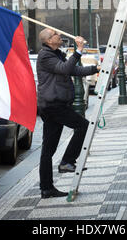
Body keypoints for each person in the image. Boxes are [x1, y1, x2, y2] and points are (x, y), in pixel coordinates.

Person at [36, 28, 99, 199]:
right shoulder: (45, 56)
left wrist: (95, 69)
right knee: (83, 126)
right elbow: (65, 69)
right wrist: (78, 51)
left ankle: (47, 188)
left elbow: (73, 70)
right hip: (52, 105)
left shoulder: (56, 53)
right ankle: (67, 161)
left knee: (48, 150)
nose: (60, 35)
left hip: (55, 104)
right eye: (56, 34)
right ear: (49, 40)